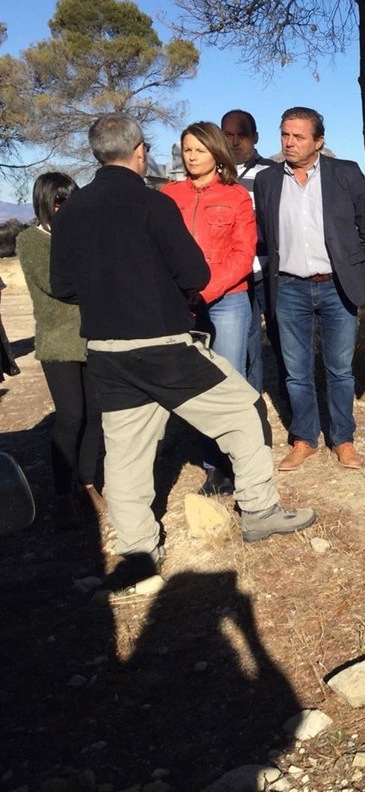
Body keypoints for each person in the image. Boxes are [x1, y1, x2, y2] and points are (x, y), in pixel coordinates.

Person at [50, 113, 315, 586]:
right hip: (163, 343)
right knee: (243, 410)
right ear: (139, 151)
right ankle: (259, 509)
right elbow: (193, 273)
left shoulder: (71, 210)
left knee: (126, 454)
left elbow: (63, 286)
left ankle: (137, 552)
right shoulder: (154, 204)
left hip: (106, 351)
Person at [254, 107, 365, 471]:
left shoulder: (345, 173)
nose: (289, 142)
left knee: (339, 369)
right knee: (296, 371)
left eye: (298, 136)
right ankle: (304, 439)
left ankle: (343, 439)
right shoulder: (268, 180)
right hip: (289, 287)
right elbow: (265, 232)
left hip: (336, 287)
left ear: (318, 141)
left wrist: (347, 262)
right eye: (285, 135)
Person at [161, 122, 257, 496]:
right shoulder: (168, 195)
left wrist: (206, 290)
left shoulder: (236, 196)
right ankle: (213, 466)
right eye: (187, 150)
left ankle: (240, 463)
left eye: (200, 150)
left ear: (216, 153)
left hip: (227, 299)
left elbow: (243, 254)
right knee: (197, 384)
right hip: (180, 303)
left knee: (229, 382)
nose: (192, 156)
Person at [15, 173, 103, 529]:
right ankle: (62, 492)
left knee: (95, 414)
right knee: (70, 416)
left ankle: (87, 482)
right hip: (58, 342)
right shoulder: (30, 240)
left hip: (93, 336)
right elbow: (56, 284)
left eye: (70, 199)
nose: (65, 207)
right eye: (58, 201)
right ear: (44, 202)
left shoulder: (85, 234)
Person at [222, 109, 278, 395]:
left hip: (268, 270)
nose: (234, 142)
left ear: (255, 137)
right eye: (228, 135)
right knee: (245, 339)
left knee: (280, 337)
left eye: (241, 135)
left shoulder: (272, 172)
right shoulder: (214, 174)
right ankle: (250, 399)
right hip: (233, 274)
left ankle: (287, 398)